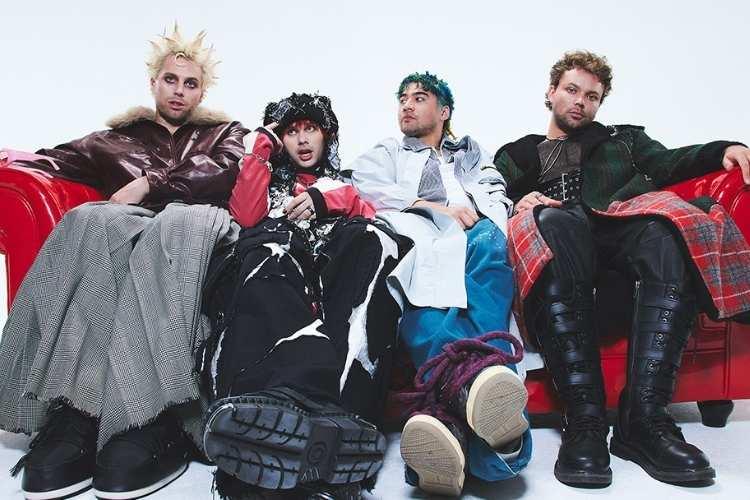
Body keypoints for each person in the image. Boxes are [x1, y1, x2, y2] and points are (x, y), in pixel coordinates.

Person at [0, 26, 246, 499]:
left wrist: (151, 183)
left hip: (197, 227)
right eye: (170, 79)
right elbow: (46, 161)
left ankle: (155, 413)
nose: (179, 90)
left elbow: (229, 170)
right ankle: (79, 407)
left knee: (173, 227)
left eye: (190, 83)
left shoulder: (223, 133)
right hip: (132, 228)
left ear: (202, 92)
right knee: (91, 220)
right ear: (154, 82)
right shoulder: (111, 141)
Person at [493, 50, 750, 487]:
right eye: (572, 90)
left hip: (617, 225)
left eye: (591, 96)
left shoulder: (623, 141)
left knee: (666, 227)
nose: (580, 101)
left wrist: (722, 149)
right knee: (552, 219)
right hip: (561, 238)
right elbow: (486, 193)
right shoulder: (518, 154)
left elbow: (671, 162)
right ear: (551, 92)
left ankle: (644, 420)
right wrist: (519, 201)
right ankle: (585, 421)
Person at [198, 93, 408, 499]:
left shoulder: (340, 184)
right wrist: (262, 145)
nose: (302, 139)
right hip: (279, 275)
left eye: (310, 128)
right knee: (268, 247)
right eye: (290, 132)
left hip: (330, 280)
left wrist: (325, 200)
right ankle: (271, 413)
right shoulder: (266, 180)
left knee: (374, 240)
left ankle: (344, 425)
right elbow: (245, 215)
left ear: (326, 135)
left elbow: (366, 212)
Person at [344, 72, 532, 497]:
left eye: (419, 97)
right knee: (421, 288)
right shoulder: (388, 153)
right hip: (419, 235)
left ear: (444, 111)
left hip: (474, 235)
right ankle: (500, 450)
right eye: (403, 99)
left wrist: (481, 212)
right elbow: (365, 185)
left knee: (489, 248)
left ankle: (449, 415)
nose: (407, 105)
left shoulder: (471, 152)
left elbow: (493, 186)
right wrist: (431, 207)